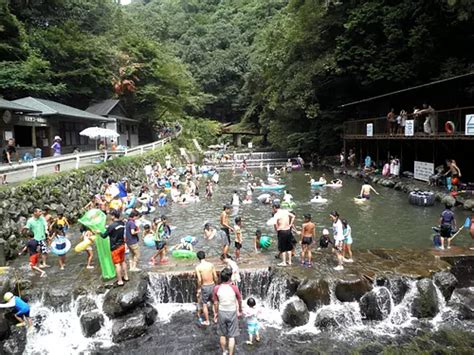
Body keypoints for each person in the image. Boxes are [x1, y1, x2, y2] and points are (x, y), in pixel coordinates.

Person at [212, 267, 242, 355]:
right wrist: (240, 309)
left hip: (222, 311)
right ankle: (231, 353)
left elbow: (216, 303)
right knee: (232, 336)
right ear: (230, 277)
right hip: (232, 311)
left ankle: (224, 352)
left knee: (222, 334)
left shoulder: (217, 288)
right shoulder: (234, 287)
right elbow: (239, 300)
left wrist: (216, 313)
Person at [99, 209, 128, 286]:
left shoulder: (112, 226)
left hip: (115, 248)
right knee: (123, 261)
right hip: (122, 245)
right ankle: (126, 276)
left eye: (111, 215)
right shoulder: (122, 223)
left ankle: (120, 281)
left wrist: (98, 232)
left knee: (117, 264)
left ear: (113, 216)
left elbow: (104, 236)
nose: (110, 216)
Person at [195, 251, 217, 327]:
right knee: (214, 302)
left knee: (204, 304)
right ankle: (215, 318)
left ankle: (207, 321)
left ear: (198, 258)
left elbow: (200, 280)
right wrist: (216, 284)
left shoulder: (198, 267)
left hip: (205, 286)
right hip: (212, 284)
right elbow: (215, 276)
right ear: (205, 256)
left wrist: (199, 288)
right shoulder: (211, 265)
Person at [273, 202, 295, 266]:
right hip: (288, 230)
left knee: (283, 248)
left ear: (274, 208)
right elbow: (293, 216)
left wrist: (276, 230)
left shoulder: (276, 214)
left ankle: (284, 262)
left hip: (282, 231)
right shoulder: (285, 211)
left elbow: (275, 224)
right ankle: (290, 261)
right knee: (289, 247)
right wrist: (290, 224)